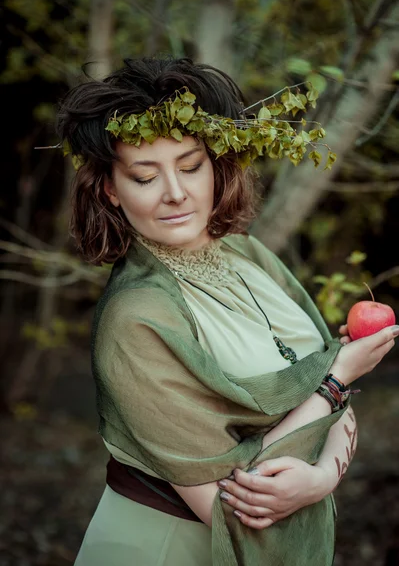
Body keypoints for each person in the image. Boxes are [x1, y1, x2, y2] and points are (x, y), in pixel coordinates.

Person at [56, 57, 398, 566]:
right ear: (110, 188)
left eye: (190, 167)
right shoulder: (135, 319)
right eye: (145, 176)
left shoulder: (247, 254)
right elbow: (233, 504)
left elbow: (335, 393)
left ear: (214, 166)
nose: (175, 193)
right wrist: (334, 382)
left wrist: (322, 478)